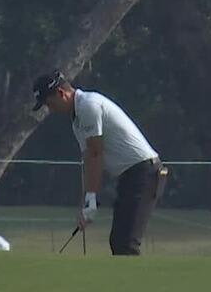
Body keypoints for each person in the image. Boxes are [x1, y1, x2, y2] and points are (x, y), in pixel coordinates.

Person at [32, 70, 164, 255]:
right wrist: (86, 202)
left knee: (126, 243)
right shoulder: (77, 119)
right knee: (118, 242)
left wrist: (91, 198)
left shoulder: (88, 106)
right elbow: (89, 160)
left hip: (144, 173)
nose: (50, 110)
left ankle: (136, 283)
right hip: (131, 176)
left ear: (61, 93)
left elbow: (96, 154)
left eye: (49, 103)